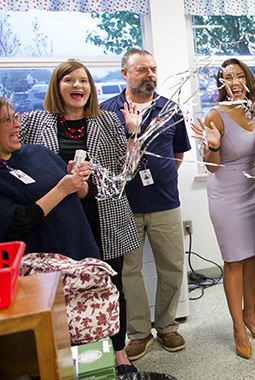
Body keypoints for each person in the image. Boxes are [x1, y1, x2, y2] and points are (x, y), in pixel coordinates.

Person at [18, 60, 142, 374]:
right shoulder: (34, 121)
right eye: (69, 80)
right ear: (56, 87)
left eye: (83, 81)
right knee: (60, 291)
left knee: (111, 286)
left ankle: (118, 351)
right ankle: (62, 353)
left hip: (103, 216)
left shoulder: (108, 122)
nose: (78, 87)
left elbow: (125, 174)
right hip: (56, 220)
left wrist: (132, 135)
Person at [100, 48, 192, 361]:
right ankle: (139, 333)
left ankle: (166, 325)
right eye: (142, 69)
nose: (149, 74)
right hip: (123, 206)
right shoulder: (106, 112)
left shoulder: (170, 109)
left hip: (165, 202)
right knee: (130, 271)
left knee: (172, 265)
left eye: (153, 68)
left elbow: (178, 154)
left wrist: (163, 178)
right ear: (124, 73)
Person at [190, 58, 255, 359]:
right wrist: (211, 145)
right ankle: (238, 326)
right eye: (226, 77)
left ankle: (251, 315)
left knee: (252, 257)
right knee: (234, 260)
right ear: (221, 83)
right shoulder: (217, 114)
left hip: (254, 192)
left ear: (247, 79)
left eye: (238, 76)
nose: (234, 81)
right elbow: (211, 167)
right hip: (227, 196)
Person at [0, 97, 99, 261]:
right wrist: (61, 190)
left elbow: (84, 196)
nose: (17, 125)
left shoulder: (38, 152)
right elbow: (16, 224)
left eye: (16, 117)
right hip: (45, 271)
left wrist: (78, 181)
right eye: (6, 120)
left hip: (82, 256)